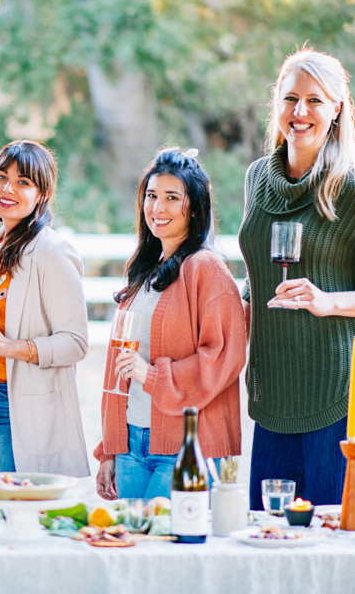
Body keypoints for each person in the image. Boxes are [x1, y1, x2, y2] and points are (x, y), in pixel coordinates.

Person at [240, 48, 355, 508]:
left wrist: (327, 301)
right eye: (290, 98)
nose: (300, 112)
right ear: (276, 103)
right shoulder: (257, 179)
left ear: (337, 108)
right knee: (270, 539)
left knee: (331, 540)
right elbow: (256, 276)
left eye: (315, 100)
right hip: (276, 392)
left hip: (341, 391)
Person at [93, 149, 245, 501]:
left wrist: (153, 376)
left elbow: (224, 357)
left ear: (193, 207)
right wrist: (111, 448)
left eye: (171, 198)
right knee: (130, 548)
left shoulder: (205, 268)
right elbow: (119, 372)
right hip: (132, 445)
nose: (157, 208)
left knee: (170, 550)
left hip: (185, 449)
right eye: (151, 196)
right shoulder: (144, 271)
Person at [0, 140, 90, 477]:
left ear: (42, 195)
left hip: (14, 403)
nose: (8, 189)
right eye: (2, 177)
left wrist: (10, 347)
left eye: (23, 182)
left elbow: (76, 343)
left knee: (0, 506)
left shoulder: (52, 252)